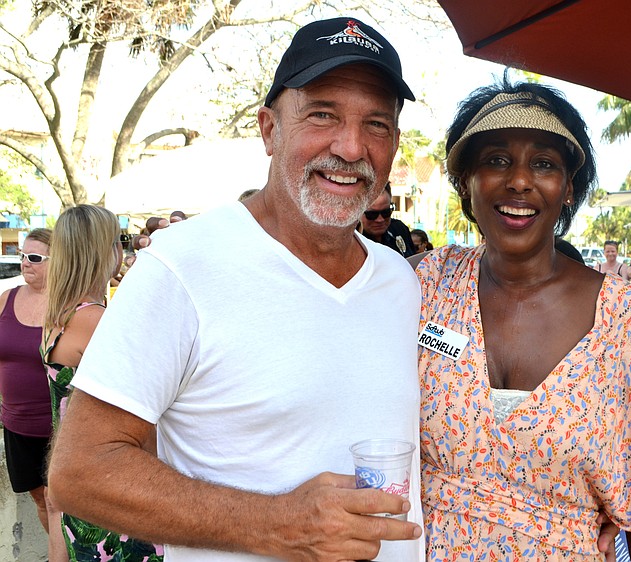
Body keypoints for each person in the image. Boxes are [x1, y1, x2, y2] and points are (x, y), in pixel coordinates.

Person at [48, 17, 424, 562]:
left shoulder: (400, 281)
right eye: (322, 114)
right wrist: (279, 525)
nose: (351, 146)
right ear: (269, 129)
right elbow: (81, 473)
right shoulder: (181, 268)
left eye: (377, 125)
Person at [411, 78, 631, 560]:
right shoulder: (427, 286)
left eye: (543, 163)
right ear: (466, 181)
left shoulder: (621, 318)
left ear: (568, 188)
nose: (519, 180)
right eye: (496, 160)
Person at [41, 205, 162, 561]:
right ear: (100, 250)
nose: (124, 251)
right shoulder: (96, 321)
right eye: (120, 242)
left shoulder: (61, 316)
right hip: (114, 491)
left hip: (85, 484)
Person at [0, 229, 53, 540]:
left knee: (60, 500)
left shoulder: (70, 304)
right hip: (17, 425)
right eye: (22, 256)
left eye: (34, 258)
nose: (24, 263)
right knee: (40, 499)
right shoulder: (7, 298)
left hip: (58, 427)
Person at [361, 183, 416, 257]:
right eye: (372, 215)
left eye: (386, 212)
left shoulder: (399, 229)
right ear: (358, 212)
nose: (380, 220)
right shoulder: (352, 243)